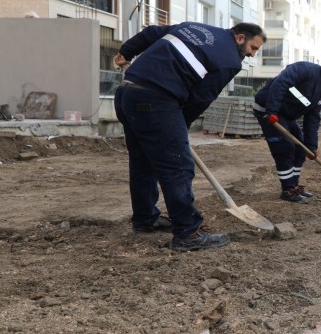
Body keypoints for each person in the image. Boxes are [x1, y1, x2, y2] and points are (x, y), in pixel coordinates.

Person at [113, 22, 266, 251]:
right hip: (157, 99)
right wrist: (178, 129)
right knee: (178, 165)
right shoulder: (230, 60)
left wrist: (126, 51)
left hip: (127, 93)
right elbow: (200, 98)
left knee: (143, 162)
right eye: (254, 48)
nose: (253, 55)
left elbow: (152, 32)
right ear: (240, 38)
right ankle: (188, 232)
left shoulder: (192, 28)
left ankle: (145, 219)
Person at [253, 57, 321, 203]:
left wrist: (312, 146)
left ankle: (294, 185)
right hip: (267, 110)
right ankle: (288, 190)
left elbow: (312, 118)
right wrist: (271, 110)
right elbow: (281, 83)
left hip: (286, 115)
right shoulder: (305, 70)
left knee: (301, 148)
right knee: (285, 148)